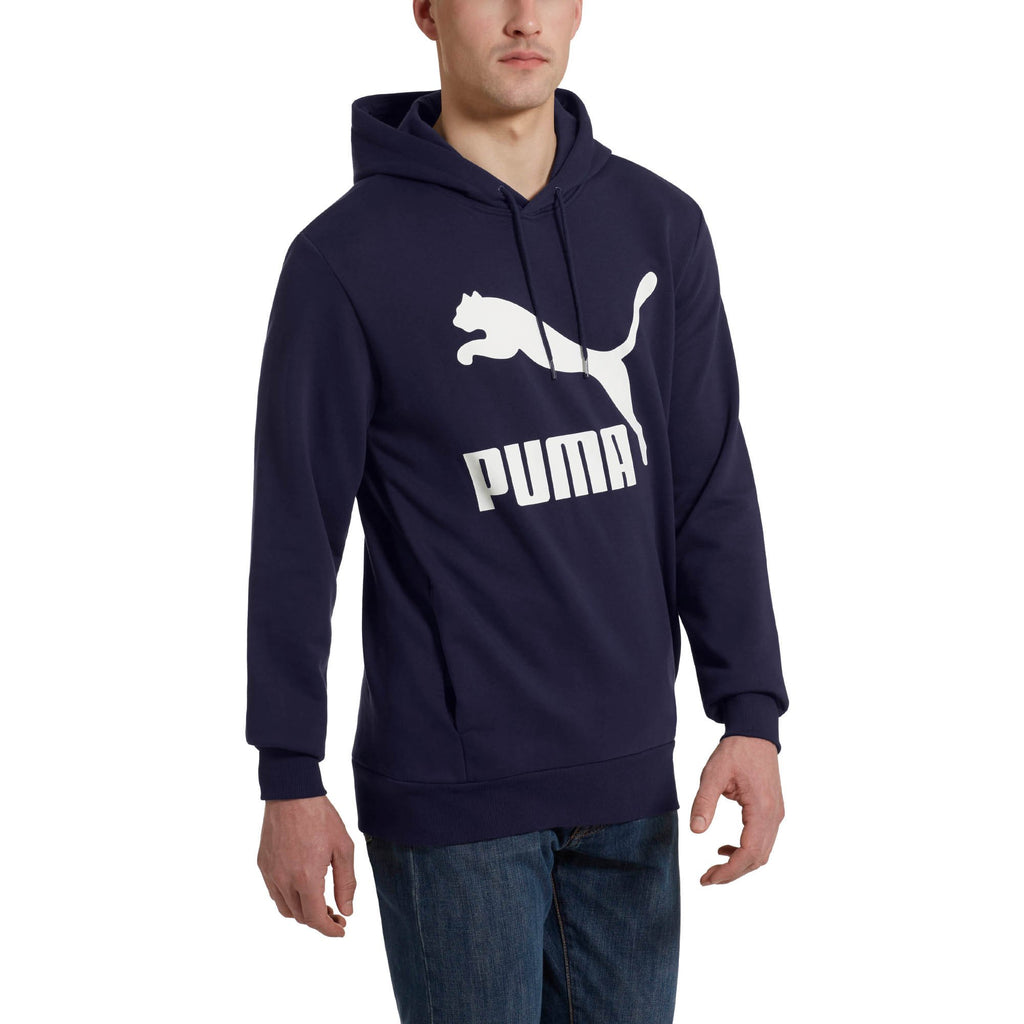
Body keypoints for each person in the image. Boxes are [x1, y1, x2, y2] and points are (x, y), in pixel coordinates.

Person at [246, 1, 789, 1020]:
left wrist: (748, 712)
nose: (523, 16)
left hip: (632, 791)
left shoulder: (660, 224)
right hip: (453, 806)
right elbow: (294, 534)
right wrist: (288, 773)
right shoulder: (343, 259)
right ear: (427, 10)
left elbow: (710, 484)